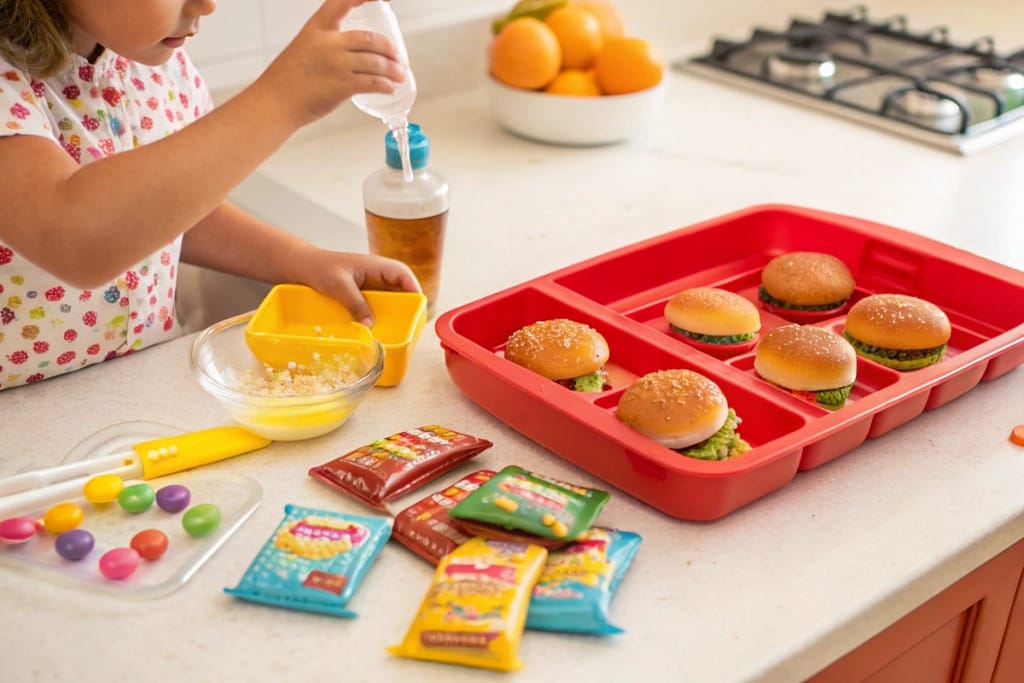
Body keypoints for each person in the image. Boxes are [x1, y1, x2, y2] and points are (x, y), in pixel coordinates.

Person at [0, 0, 421, 390]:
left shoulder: (152, 63)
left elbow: (165, 212)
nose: (206, 4)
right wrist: (283, 98)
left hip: (133, 385)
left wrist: (299, 258)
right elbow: (74, 236)